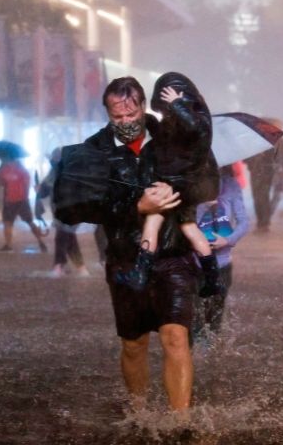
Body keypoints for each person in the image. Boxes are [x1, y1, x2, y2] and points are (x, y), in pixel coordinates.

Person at [57, 76, 215, 412]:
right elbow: (71, 208)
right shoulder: (94, 151)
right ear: (107, 113)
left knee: (175, 337)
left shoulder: (173, 135)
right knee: (134, 343)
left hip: (173, 254)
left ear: (143, 106)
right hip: (126, 258)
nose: (126, 122)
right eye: (118, 117)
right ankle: (139, 412)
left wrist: (175, 194)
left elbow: (206, 183)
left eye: (132, 114)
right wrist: (135, 206)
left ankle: (179, 419)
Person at [114, 72, 222, 298]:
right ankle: (213, 279)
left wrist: (177, 103)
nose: (166, 112)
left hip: (176, 184)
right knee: (190, 228)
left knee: (153, 220)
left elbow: (192, 127)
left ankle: (140, 274)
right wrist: (154, 121)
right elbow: (168, 140)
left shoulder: (196, 120)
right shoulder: (190, 121)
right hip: (186, 184)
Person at [193, 165, 251, 342]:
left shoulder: (230, 185)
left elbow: (243, 221)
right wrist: (203, 206)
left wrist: (228, 240)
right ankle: (194, 353)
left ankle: (209, 351)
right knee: (195, 312)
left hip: (223, 262)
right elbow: (184, 223)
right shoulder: (190, 185)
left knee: (215, 313)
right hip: (195, 262)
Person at [37, 147, 90, 278]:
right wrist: (39, 189)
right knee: (70, 239)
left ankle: (58, 266)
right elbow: (44, 191)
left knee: (61, 238)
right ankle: (81, 268)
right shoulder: (54, 172)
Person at [0, 157, 48, 253]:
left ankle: (9, 245)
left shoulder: (5, 170)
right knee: (30, 222)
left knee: (8, 223)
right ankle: (40, 241)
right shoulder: (23, 171)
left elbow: (1, 183)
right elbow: (27, 185)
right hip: (23, 200)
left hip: (9, 200)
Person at [245, 148, 275, 233]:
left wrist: (263, 156)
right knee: (257, 199)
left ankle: (264, 223)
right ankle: (261, 223)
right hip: (255, 173)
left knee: (263, 198)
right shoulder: (251, 147)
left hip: (265, 175)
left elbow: (273, 159)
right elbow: (245, 160)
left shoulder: (269, 147)